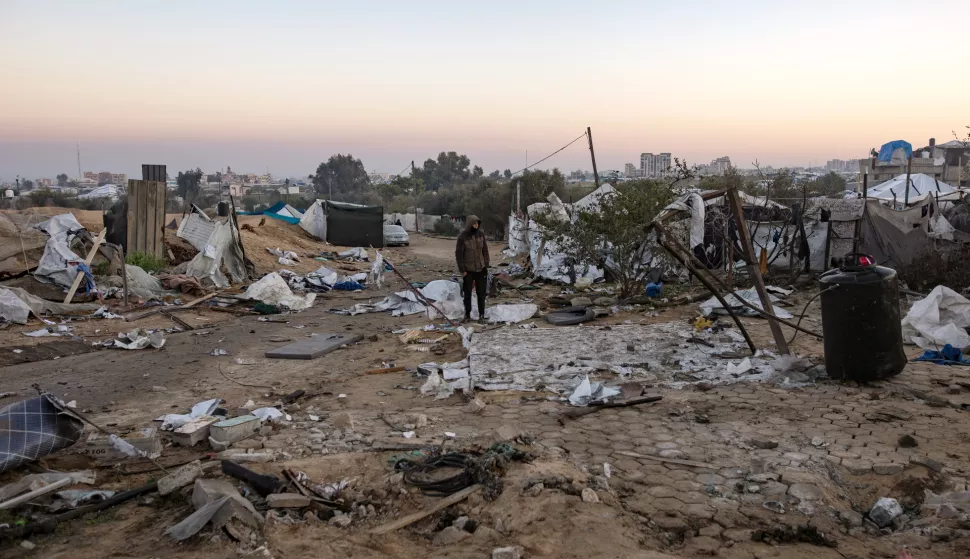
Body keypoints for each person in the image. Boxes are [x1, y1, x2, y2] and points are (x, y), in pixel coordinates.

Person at [455, 215, 489, 323]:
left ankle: (481, 315)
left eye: (478, 223)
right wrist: (463, 270)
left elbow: (485, 251)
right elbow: (459, 254)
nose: (476, 225)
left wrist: (486, 264)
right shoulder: (462, 237)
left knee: (481, 294)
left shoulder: (481, 235)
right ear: (470, 224)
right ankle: (467, 315)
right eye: (474, 223)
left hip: (481, 269)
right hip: (468, 270)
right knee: (467, 294)